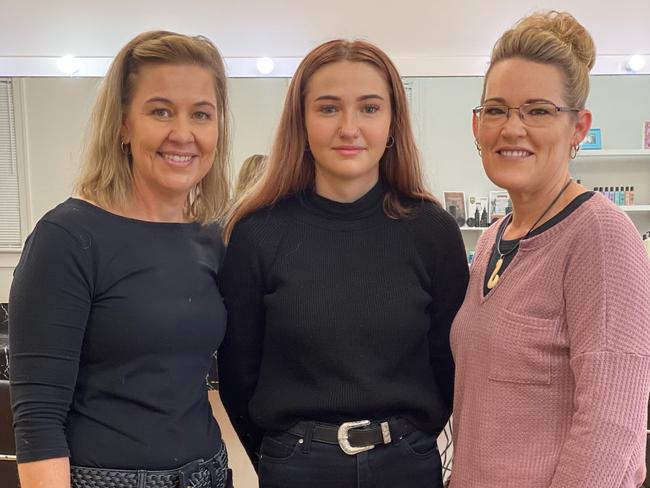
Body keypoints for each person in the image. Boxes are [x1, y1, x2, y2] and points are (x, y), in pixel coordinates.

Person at [218, 39, 469, 488]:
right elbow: (238, 373)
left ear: (393, 122)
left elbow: (450, 364)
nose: (349, 127)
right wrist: (285, 455)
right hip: (295, 465)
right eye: (328, 108)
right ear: (302, 121)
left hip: (407, 464)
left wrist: (409, 441)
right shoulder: (257, 233)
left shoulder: (433, 232)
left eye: (370, 108)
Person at [9, 31, 233, 488]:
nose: (183, 133)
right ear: (123, 125)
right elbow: (37, 421)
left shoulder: (213, 238)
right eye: (160, 111)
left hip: (208, 473)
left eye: (201, 115)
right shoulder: (67, 237)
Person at [449, 11, 650, 488]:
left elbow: (611, 429)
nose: (511, 128)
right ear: (477, 126)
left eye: (538, 110)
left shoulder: (600, 236)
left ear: (578, 127)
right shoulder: (497, 236)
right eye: (496, 110)